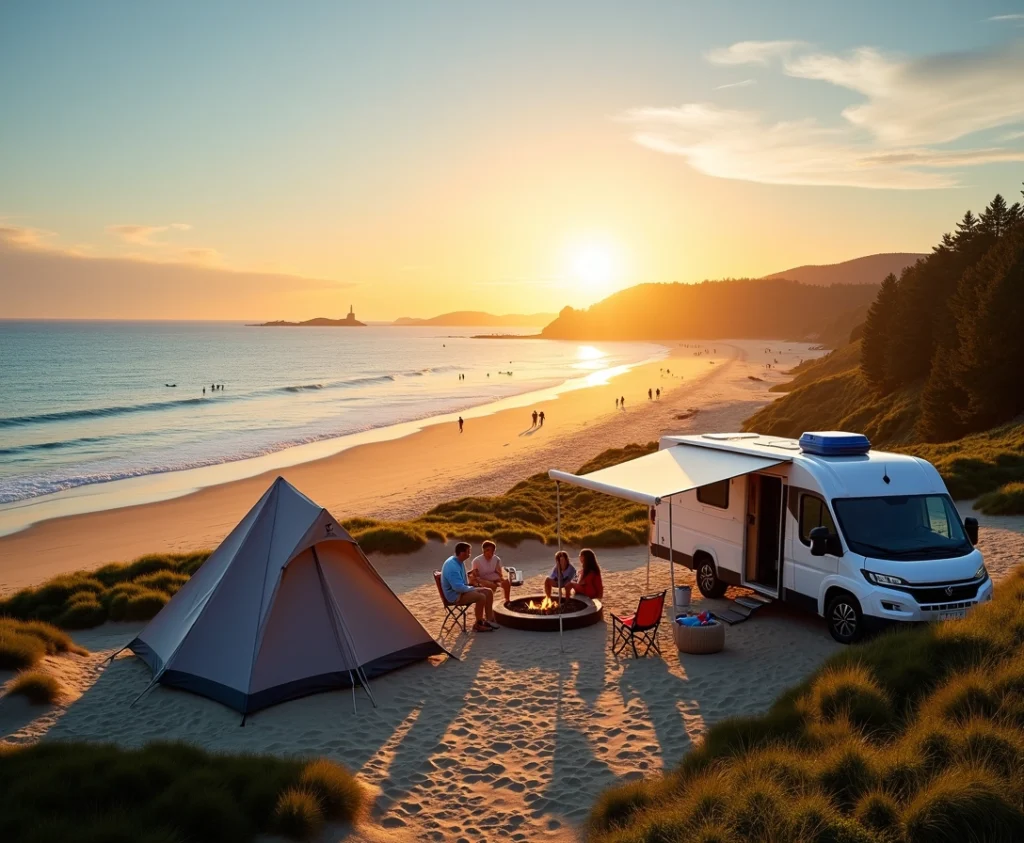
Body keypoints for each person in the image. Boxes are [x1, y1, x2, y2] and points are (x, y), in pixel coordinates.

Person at [441, 542, 498, 632]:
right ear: (462, 553)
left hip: (461, 591)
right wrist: (474, 588)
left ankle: (489, 620)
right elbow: (458, 587)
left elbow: (460, 580)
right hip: (455, 595)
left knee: (488, 591)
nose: (470, 554)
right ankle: (478, 624)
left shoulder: (458, 561)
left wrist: (470, 573)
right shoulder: (452, 565)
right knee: (481, 597)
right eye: (468, 552)